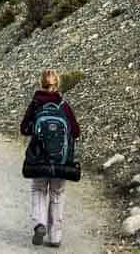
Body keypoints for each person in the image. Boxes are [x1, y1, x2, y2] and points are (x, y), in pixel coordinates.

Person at [20, 68, 81, 248]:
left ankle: (40, 224)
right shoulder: (63, 105)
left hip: (39, 159)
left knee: (39, 190)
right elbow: (75, 132)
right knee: (57, 194)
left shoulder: (36, 103)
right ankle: (55, 237)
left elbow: (24, 128)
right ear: (57, 85)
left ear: (41, 84)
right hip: (61, 161)